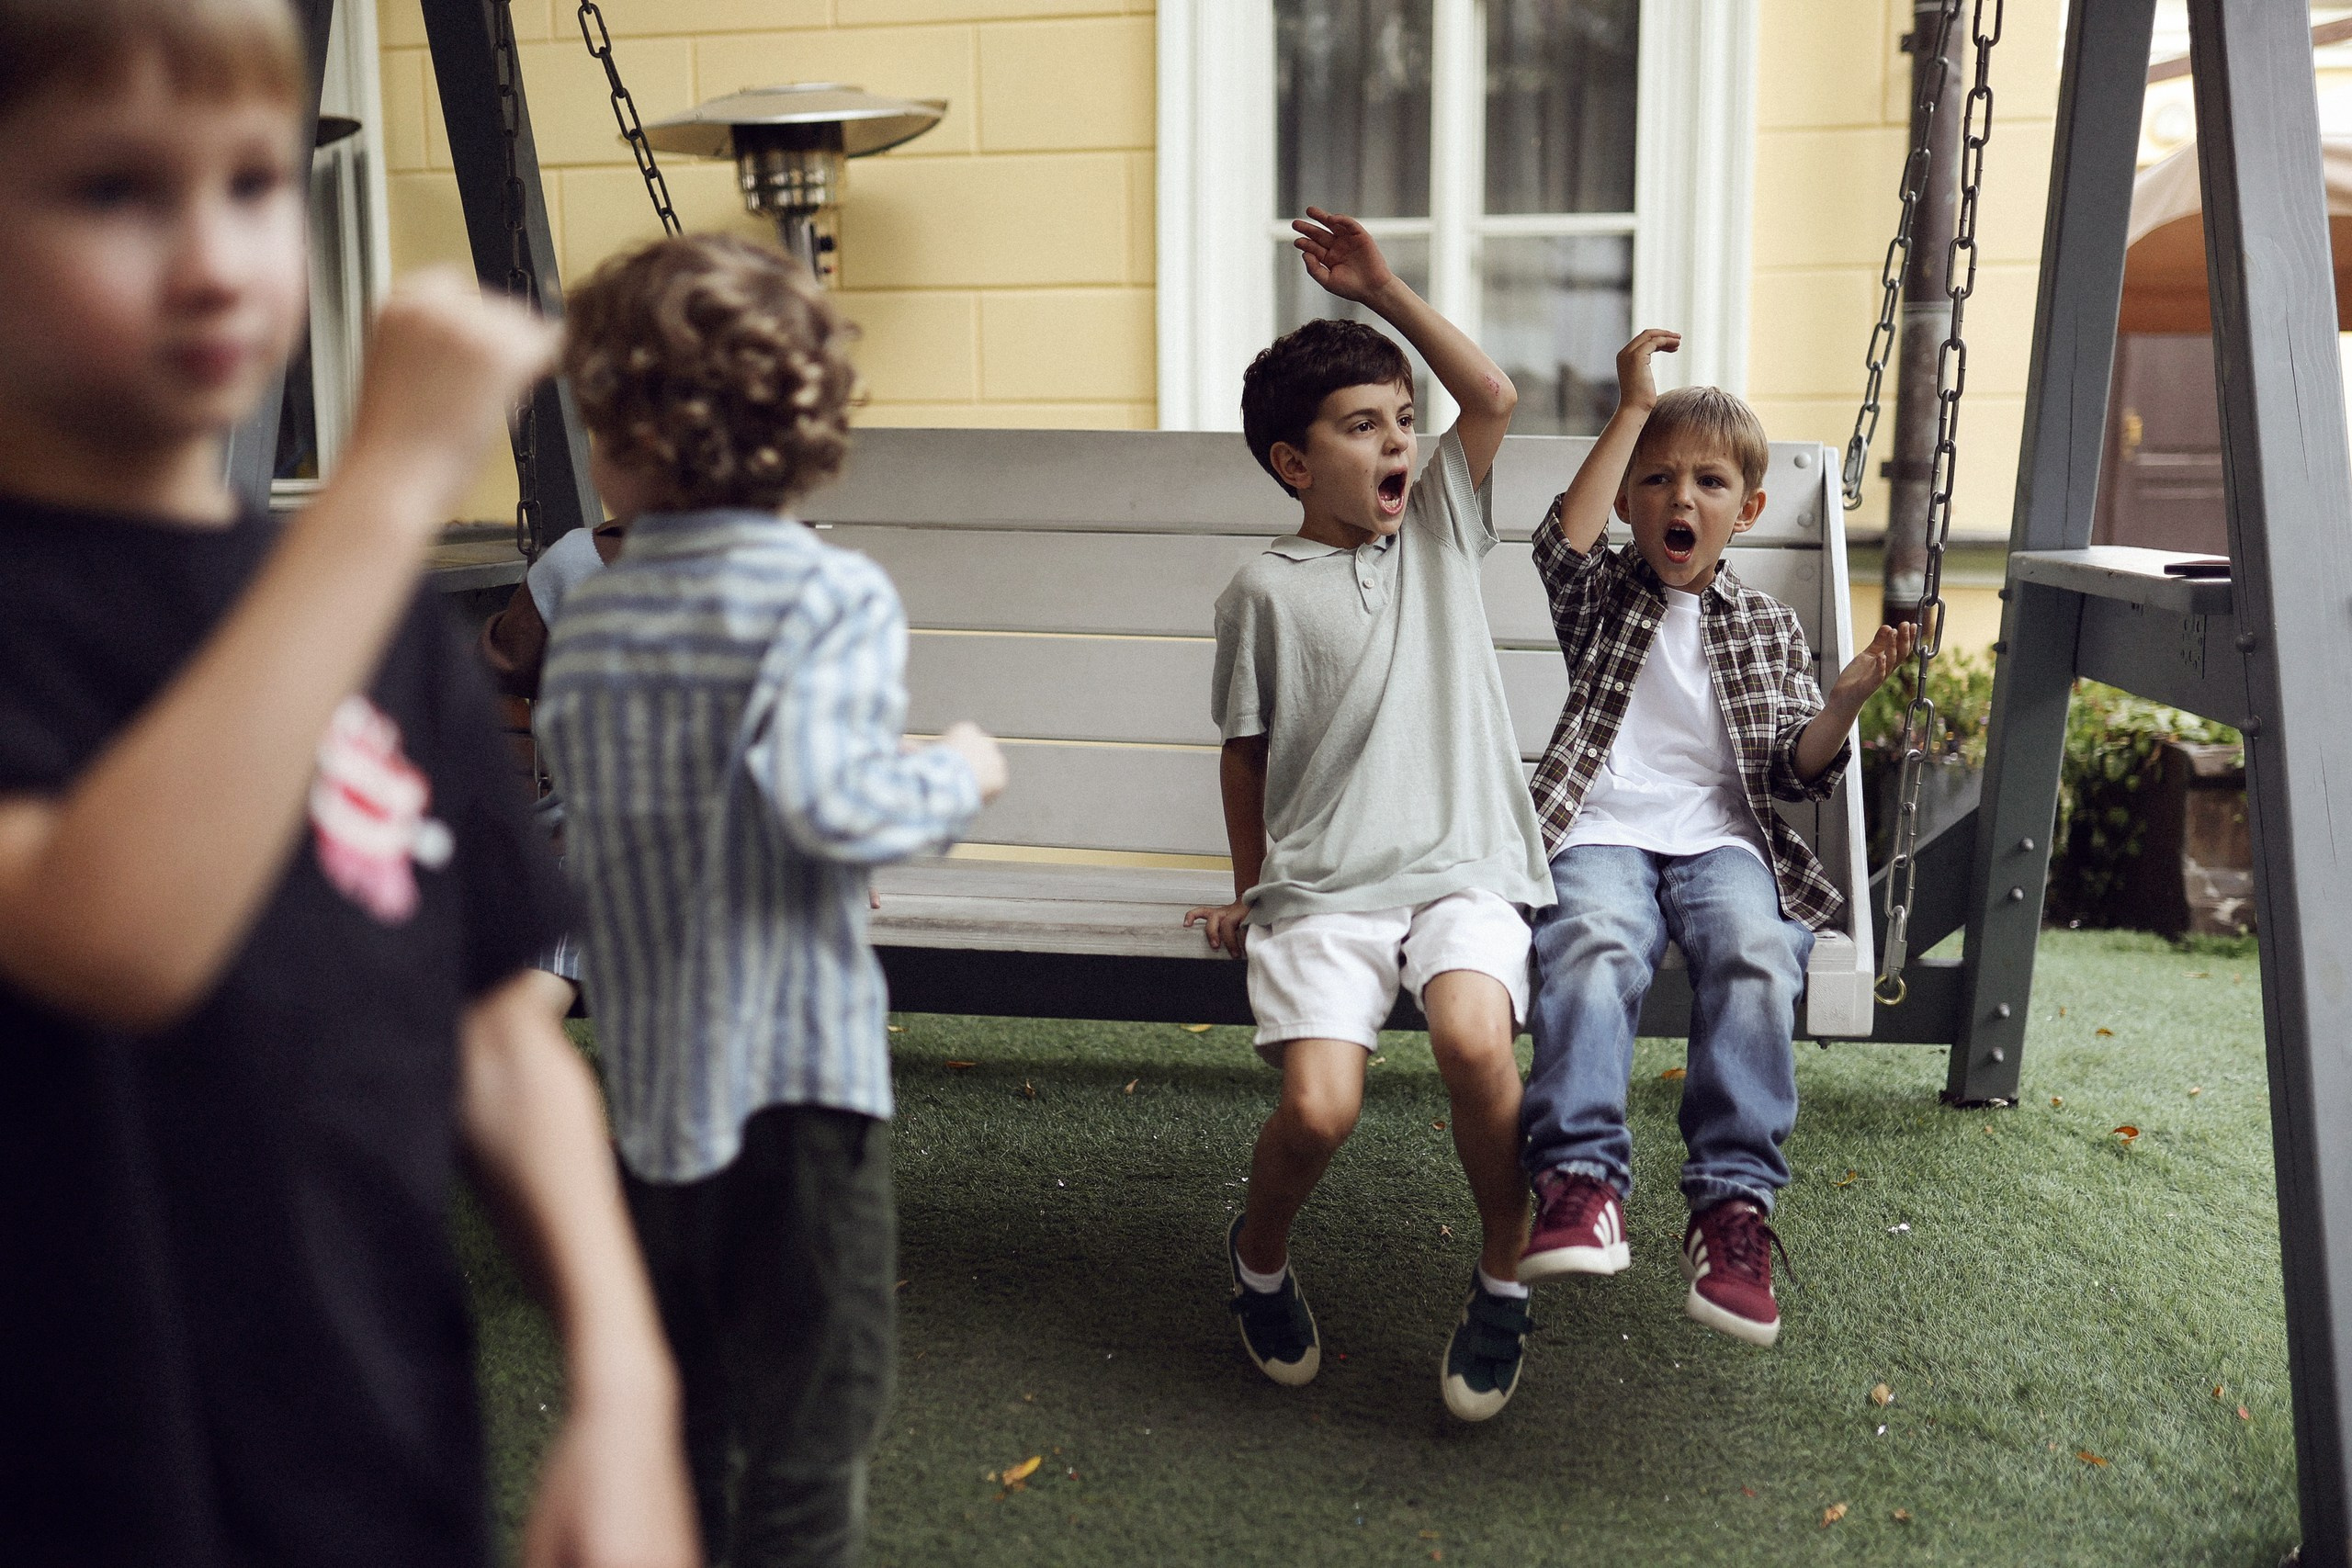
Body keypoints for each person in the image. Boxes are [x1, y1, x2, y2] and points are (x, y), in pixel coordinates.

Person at [0, 2, 697, 1566]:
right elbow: (110, 935)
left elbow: (501, 1034)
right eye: (114, 191)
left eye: (255, 185)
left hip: (359, 1452)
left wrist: (622, 1373)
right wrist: (387, 483)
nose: (213, 258)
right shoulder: (336, 562)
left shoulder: (360, 610)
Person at [533, 232, 1009, 1568]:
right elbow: (831, 802)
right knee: (811, 1420)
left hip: (648, 1098)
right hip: (796, 1087)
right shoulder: (824, 593)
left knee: (677, 1415)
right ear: (804, 431)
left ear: (623, 440)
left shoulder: (600, 621)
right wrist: (958, 772)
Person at [1184, 209, 1555, 1423]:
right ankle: (1259, 1258)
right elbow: (1246, 754)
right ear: (1296, 463)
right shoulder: (1261, 590)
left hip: (1464, 863)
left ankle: (1504, 1276)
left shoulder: (1440, 527)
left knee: (1471, 1039)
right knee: (1319, 1106)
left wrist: (1387, 288)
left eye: (1404, 420)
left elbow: (1489, 393)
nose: (1400, 441)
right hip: (1327, 884)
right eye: (1364, 427)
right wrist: (1251, 887)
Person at [1515, 328, 1916, 1348]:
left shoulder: (1766, 625)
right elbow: (1561, 540)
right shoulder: (1605, 594)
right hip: (1599, 827)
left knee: (1752, 950)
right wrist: (1630, 410)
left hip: (1725, 842)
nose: (1676, 499)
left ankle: (1731, 1209)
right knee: (1592, 941)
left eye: (1704, 482)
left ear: (1746, 509)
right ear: (1631, 502)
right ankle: (1580, 1183)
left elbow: (1789, 770)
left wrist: (1844, 703)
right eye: (1654, 479)